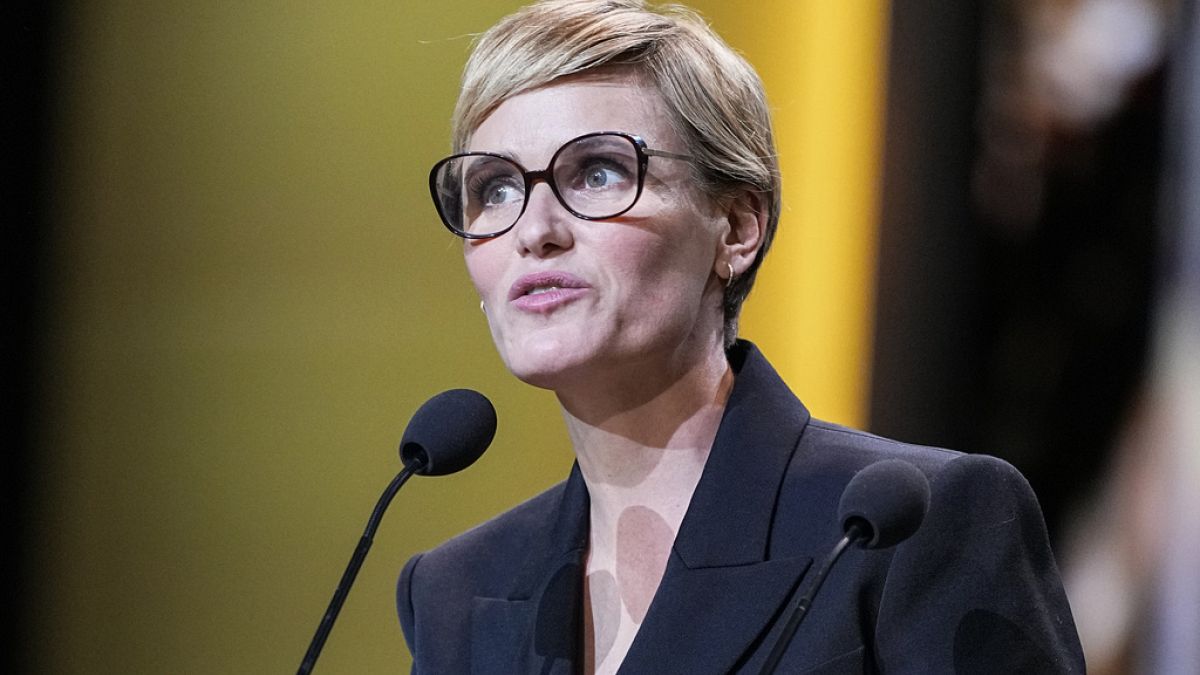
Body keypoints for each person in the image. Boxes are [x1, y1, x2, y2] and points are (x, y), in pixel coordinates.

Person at [397, 1, 1085, 672]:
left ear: (737, 227)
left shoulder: (912, 527)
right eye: (494, 189)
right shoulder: (453, 593)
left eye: (598, 172)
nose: (534, 229)